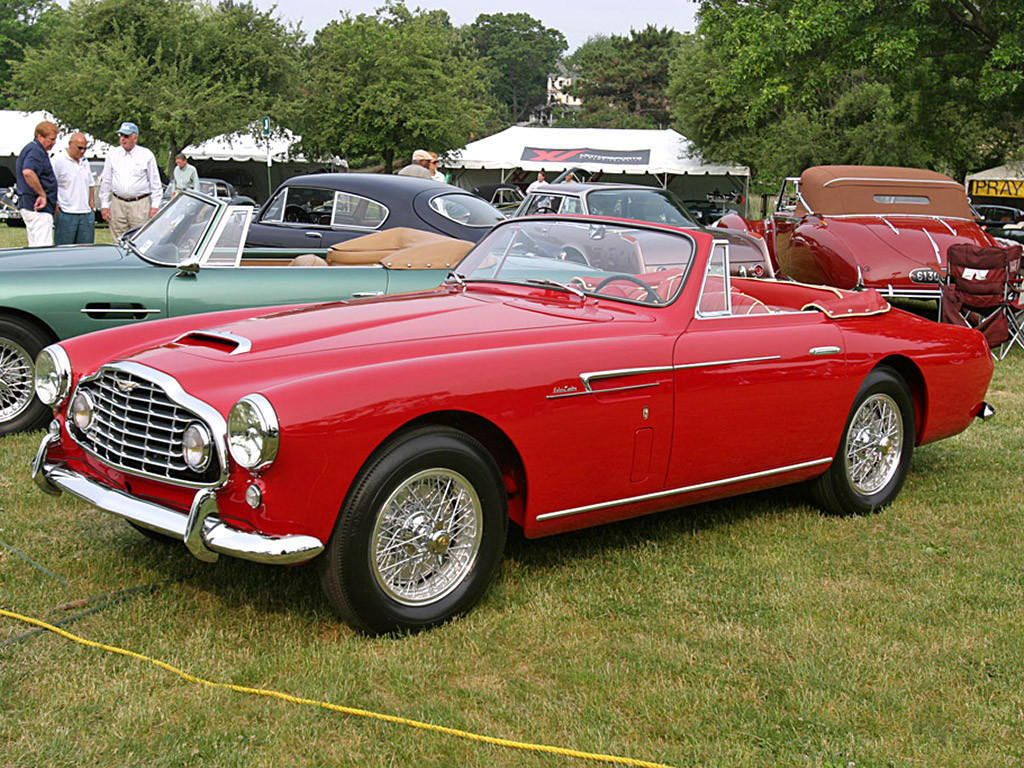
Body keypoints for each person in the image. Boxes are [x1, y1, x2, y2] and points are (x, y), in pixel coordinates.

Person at [99, 121, 162, 240]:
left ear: (135, 138)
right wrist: (104, 205)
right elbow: (106, 181)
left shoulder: (146, 154)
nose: (123, 139)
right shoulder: (113, 154)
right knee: (118, 240)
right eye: (121, 135)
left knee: (139, 238)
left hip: (140, 204)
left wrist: (155, 206)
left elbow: (155, 183)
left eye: (126, 136)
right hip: (118, 202)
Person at [15, 120, 59, 247]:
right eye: (51, 139)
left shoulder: (32, 148)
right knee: (42, 247)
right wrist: (42, 195)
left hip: (32, 205)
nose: (54, 143)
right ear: (39, 136)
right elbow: (28, 172)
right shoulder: (36, 151)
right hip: (37, 207)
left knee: (35, 245)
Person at [52, 132, 96, 245]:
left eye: (85, 149)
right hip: (66, 213)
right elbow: (51, 184)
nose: (82, 151)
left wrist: (92, 207)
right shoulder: (58, 160)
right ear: (70, 144)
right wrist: (56, 207)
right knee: (64, 251)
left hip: (85, 214)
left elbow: (91, 184)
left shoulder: (85, 162)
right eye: (80, 148)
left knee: (86, 251)